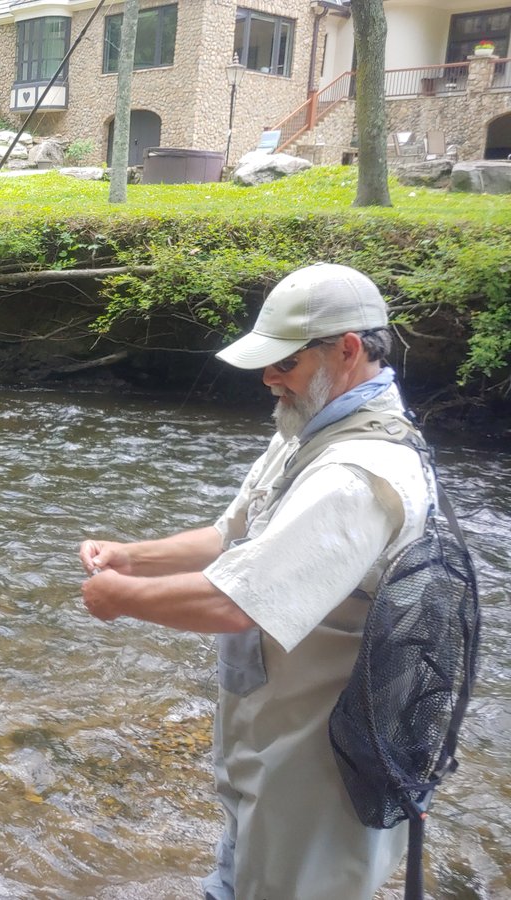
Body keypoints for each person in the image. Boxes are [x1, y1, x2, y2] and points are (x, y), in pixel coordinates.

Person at [78, 263, 432, 900]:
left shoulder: (356, 474)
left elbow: (235, 600)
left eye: (283, 364)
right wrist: (134, 557)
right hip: (271, 730)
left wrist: (119, 599)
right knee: (239, 876)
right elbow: (228, 539)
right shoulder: (309, 429)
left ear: (347, 350)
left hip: (324, 758)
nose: (268, 378)